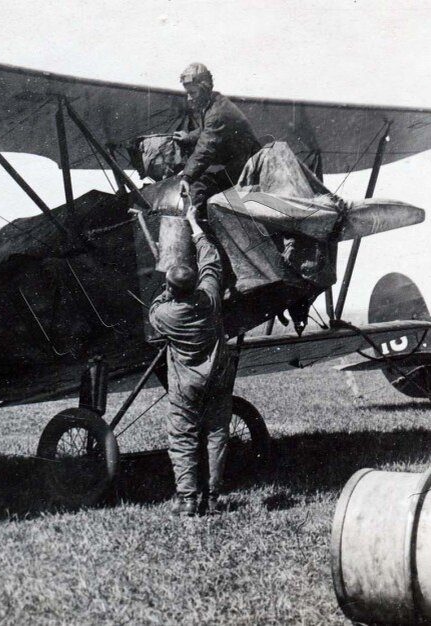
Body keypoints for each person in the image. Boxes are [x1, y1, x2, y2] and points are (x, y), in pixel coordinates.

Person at [149, 203, 235, 516]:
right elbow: (211, 261)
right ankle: (212, 499)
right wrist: (194, 224)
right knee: (216, 436)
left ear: (170, 288)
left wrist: (167, 289)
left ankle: (187, 500)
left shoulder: (164, 314)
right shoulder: (210, 298)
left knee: (182, 438)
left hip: (186, 387)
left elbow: (155, 307)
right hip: (219, 379)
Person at [173, 62, 262, 216]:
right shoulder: (214, 103)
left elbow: (205, 148)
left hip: (246, 168)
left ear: (204, 89)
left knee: (197, 187)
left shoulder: (217, 112)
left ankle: (191, 226)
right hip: (240, 162)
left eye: (193, 93)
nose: (189, 98)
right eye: (187, 93)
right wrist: (189, 137)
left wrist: (187, 177)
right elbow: (206, 130)